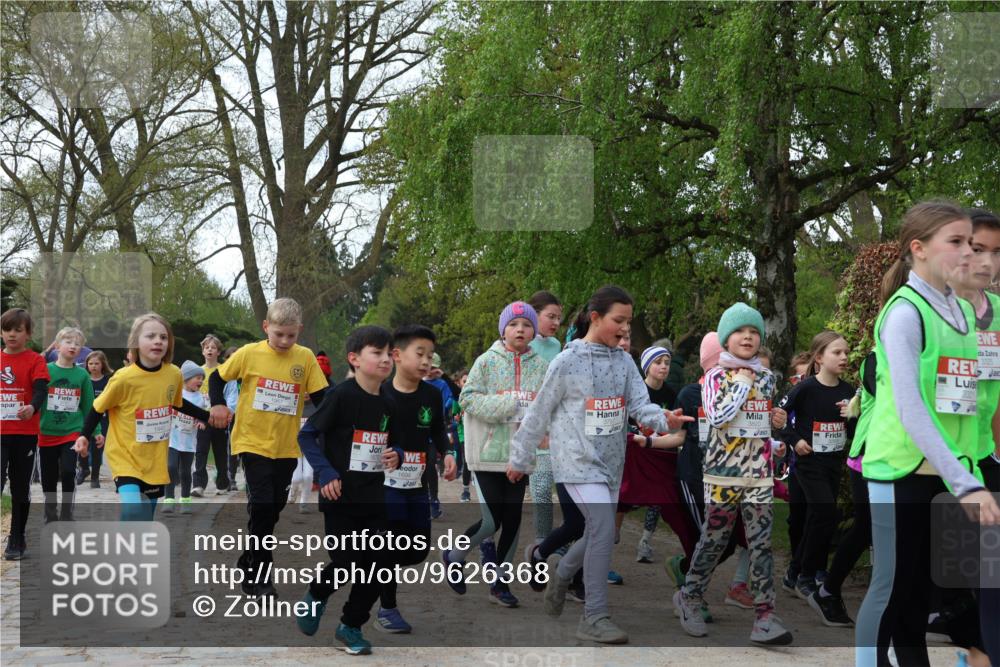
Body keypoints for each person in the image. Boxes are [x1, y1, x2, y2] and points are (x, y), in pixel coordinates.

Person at [855, 201, 1000, 667]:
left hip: (948, 471)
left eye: (970, 243)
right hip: (900, 471)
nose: (970, 255)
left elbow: (970, 404)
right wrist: (969, 484)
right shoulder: (904, 313)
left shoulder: (961, 313)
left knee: (923, 593)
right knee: (891, 590)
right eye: (957, 243)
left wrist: (974, 463)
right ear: (918, 249)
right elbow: (911, 410)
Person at [509, 286, 691, 644]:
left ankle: (563, 571)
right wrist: (520, 457)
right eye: (618, 321)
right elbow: (539, 412)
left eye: (628, 322)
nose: (625, 329)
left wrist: (664, 419)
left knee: (597, 531)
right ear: (595, 318)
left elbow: (641, 407)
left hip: (611, 464)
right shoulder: (567, 362)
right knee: (605, 528)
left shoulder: (624, 363)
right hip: (575, 461)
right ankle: (593, 616)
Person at [673, 302, 793, 646]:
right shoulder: (715, 376)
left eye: (754, 332)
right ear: (726, 339)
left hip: (758, 474)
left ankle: (765, 617)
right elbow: (719, 414)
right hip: (722, 475)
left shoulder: (768, 378)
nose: (748, 337)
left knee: (761, 544)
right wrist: (741, 382)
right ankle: (690, 596)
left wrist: (773, 424)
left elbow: (754, 424)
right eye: (740, 331)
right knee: (714, 540)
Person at [207, 298, 328, 597]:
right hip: (251, 441)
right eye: (278, 334)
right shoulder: (249, 354)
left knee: (272, 510)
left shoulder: (305, 358)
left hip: (286, 447)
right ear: (266, 327)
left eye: (291, 335)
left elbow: (324, 398)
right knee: (262, 507)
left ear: (299, 330)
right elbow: (216, 379)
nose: (285, 341)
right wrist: (219, 405)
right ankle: (259, 579)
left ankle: (247, 560)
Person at [295, 325, 402, 655]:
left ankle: (350, 626)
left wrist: (395, 453)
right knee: (346, 562)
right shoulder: (340, 395)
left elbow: (392, 439)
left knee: (381, 565)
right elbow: (307, 435)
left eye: (389, 353)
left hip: (375, 496)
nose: (386, 359)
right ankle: (317, 593)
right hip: (339, 497)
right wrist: (326, 474)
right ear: (354, 359)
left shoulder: (388, 400)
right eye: (377, 353)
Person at [444, 301, 548, 608]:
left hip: (521, 457)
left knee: (513, 521)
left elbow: (545, 406)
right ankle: (455, 555)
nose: (520, 329)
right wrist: (507, 404)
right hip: (488, 453)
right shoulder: (487, 361)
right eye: (514, 324)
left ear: (533, 331)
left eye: (527, 325)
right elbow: (467, 399)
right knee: (491, 522)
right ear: (503, 329)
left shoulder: (541, 366)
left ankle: (500, 584)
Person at [75, 313, 210, 522]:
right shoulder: (123, 378)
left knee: (145, 518)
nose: (158, 341)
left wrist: (208, 416)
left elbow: (178, 403)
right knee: (132, 510)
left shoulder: (173, 374)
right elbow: (97, 407)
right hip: (125, 456)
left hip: (155, 459)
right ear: (135, 342)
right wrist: (84, 435)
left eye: (163, 337)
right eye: (151, 336)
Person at [376, 324, 457, 633]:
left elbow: (438, 430)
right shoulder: (379, 392)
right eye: (419, 354)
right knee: (388, 544)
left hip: (417, 484)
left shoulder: (431, 395)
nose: (426, 361)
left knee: (418, 548)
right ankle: (387, 607)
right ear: (397, 355)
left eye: (430, 356)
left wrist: (448, 452)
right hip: (385, 485)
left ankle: (375, 566)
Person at [673, 331, 755, 614]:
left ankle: (684, 570)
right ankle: (691, 597)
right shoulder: (690, 393)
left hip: (724, 476)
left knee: (728, 541)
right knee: (705, 538)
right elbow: (678, 435)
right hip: (693, 476)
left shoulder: (737, 392)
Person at [776, 330, 856, 616]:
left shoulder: (849, 392)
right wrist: (795, 440)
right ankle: (807, 576)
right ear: (819, 358)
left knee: (819, 516)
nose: (844, 357)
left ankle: (794, 572)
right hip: (808, 463)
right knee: (823, 512)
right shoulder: (806, 388)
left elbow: (855, 434)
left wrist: (853, 416)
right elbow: (779, 417)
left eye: (846, 352)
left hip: (833, 464)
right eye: (837, 352)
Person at [616, 346, 698, 576]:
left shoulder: (672, 395)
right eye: (658, 362)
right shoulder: (636, 392)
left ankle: (687, 557)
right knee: (618, 500)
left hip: (662, 459)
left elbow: (676, 430)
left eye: (666, 362)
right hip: (636, 458)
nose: (663, 367)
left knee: (670, 506)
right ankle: (604, 541)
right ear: (646, 367)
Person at [1, 308, 50, 560]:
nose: (12, 334)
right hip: (0, 434)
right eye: (7, 329)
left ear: (27, 334)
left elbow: (41, 391)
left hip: (25, 433)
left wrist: (32, 407)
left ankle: (17, 538)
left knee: (20, 488)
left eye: (18, 330)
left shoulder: (35, 360)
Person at [38, 327, 100, 522]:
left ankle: (66, 512)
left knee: (67, 471)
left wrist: (96, 431)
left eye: (77, 344)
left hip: (71, 432)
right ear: (57, 346)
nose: (73, 346)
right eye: (68, 342)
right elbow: (36, 398)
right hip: (46, 431)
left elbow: (90, 405)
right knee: (48, 476)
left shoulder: (82, 376)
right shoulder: (46, 371)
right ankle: (50, 513)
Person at [162, 361, 207, 514]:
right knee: (171, 467)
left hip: (189, 441)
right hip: (172, 439)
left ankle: (185, 500)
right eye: (197, 377)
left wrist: (201, 422)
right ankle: (168, 499)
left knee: (186, 471)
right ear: (186, 378)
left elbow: (204, 414)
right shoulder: (176, 394)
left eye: (202, 378)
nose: (200, 381)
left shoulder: (201, 399)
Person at [193, 334, 230, 496]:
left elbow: (230, 393)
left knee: (220, 451)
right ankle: (198, 485)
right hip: (203, 416)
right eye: (207, 347)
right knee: (201, 450)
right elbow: (192, 394)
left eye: (213, 348)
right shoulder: (197, 371)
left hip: (220, 417)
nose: (210, 350)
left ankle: (222, 484)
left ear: (218, 352)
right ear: (202, 351)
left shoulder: (224, 371)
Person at [423, 352, 453, 519]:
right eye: (427, 366)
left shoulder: (441, 384)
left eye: (433, 367)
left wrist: (441, 407)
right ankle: (422, 499)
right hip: (418, 431)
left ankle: (433, 499)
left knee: (430, 464)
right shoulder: (417, 383)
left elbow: (450, 399)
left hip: (434, 431)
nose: (429, 370)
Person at [77, 350, 112, 487]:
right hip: (84, 418)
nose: (93, 366)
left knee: (98, 449)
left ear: (102, 364)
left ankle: (95, 477)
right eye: (90, 363)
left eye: (97, 363)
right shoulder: (83, 379)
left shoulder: (108, 381)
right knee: (82, 445)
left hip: (103, 419)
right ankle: (84, 468)